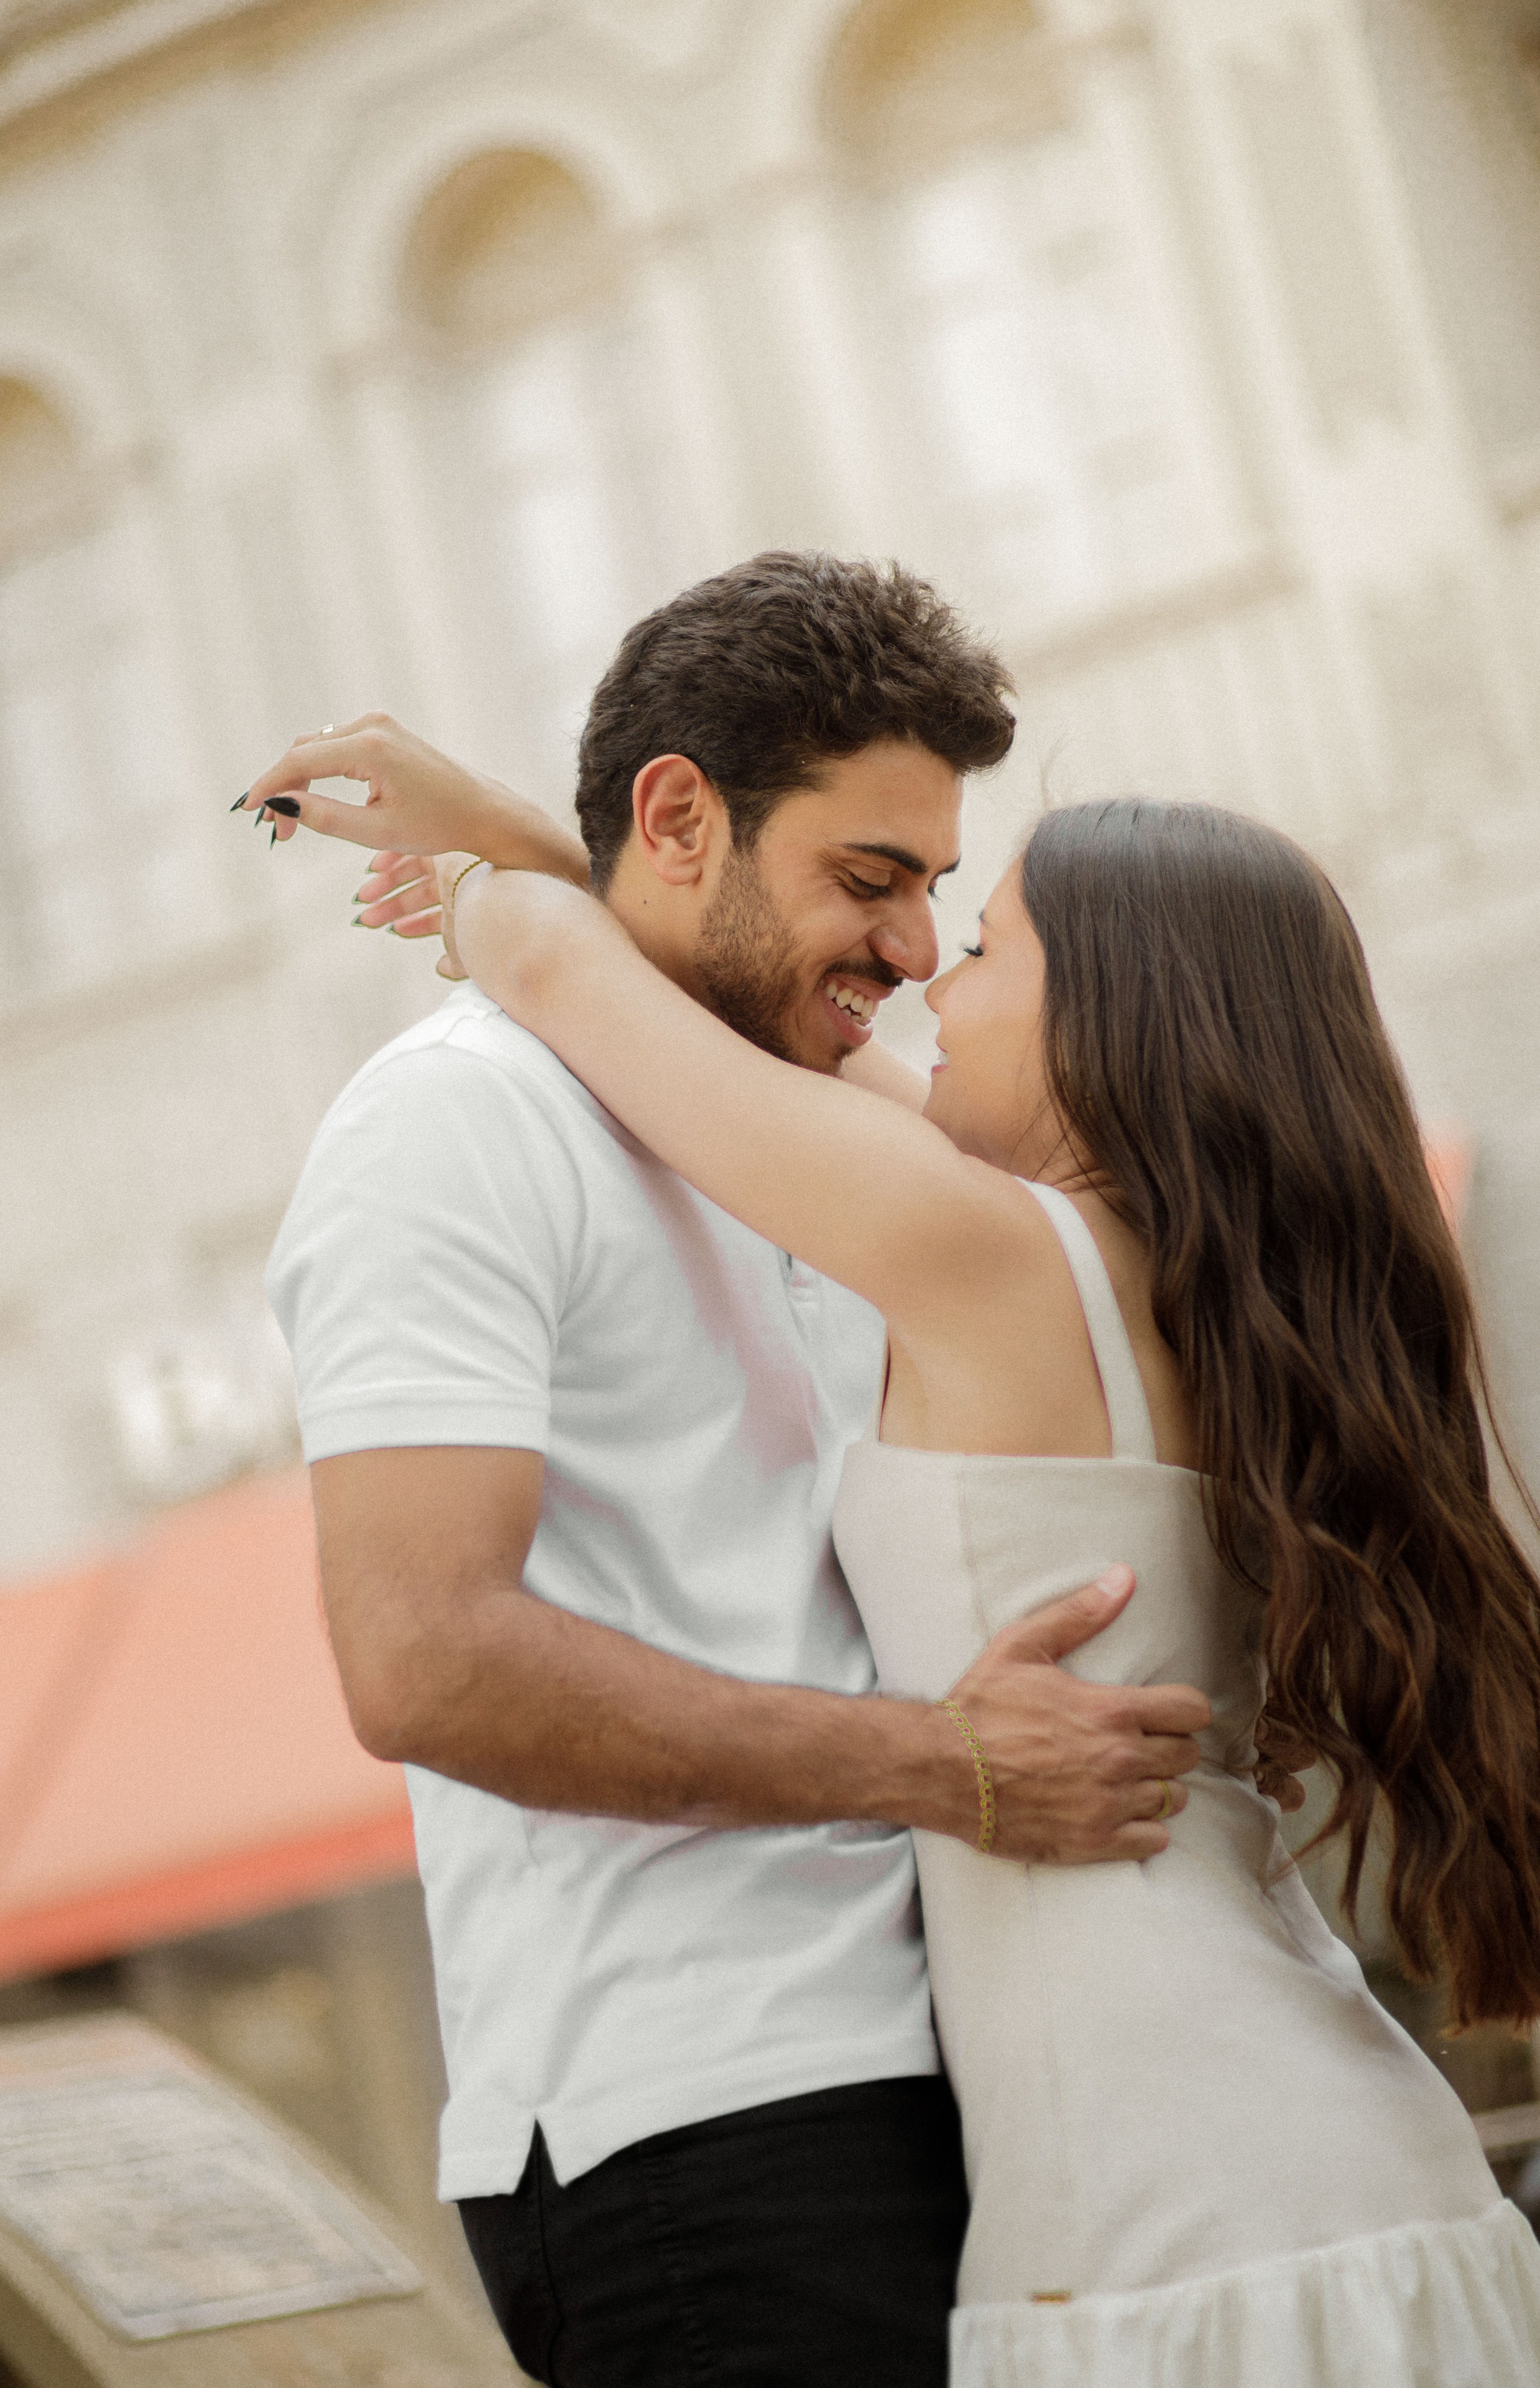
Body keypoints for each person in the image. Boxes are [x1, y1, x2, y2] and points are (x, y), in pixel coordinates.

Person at [246, 554, 1224, 2388]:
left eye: (937, 890)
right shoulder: (451, 1123)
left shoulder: (815, 1120)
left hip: (976, 2073)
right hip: (705, 2133)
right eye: (872, 880)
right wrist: (949, 1765)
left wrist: (537, 869)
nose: (920, 949)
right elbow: (422, 1658)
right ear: (681, 818)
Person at [431, 795, 1540, 2386]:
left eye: (985, 947)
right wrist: (489, 807)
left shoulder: (994, 1256)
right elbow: (780, 1015)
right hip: (1310, 2160)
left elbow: (569, 974)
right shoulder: (1184, 1279)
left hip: (1170, 2205)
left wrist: (469, 887)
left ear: (1108, 1013)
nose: (928, 984)